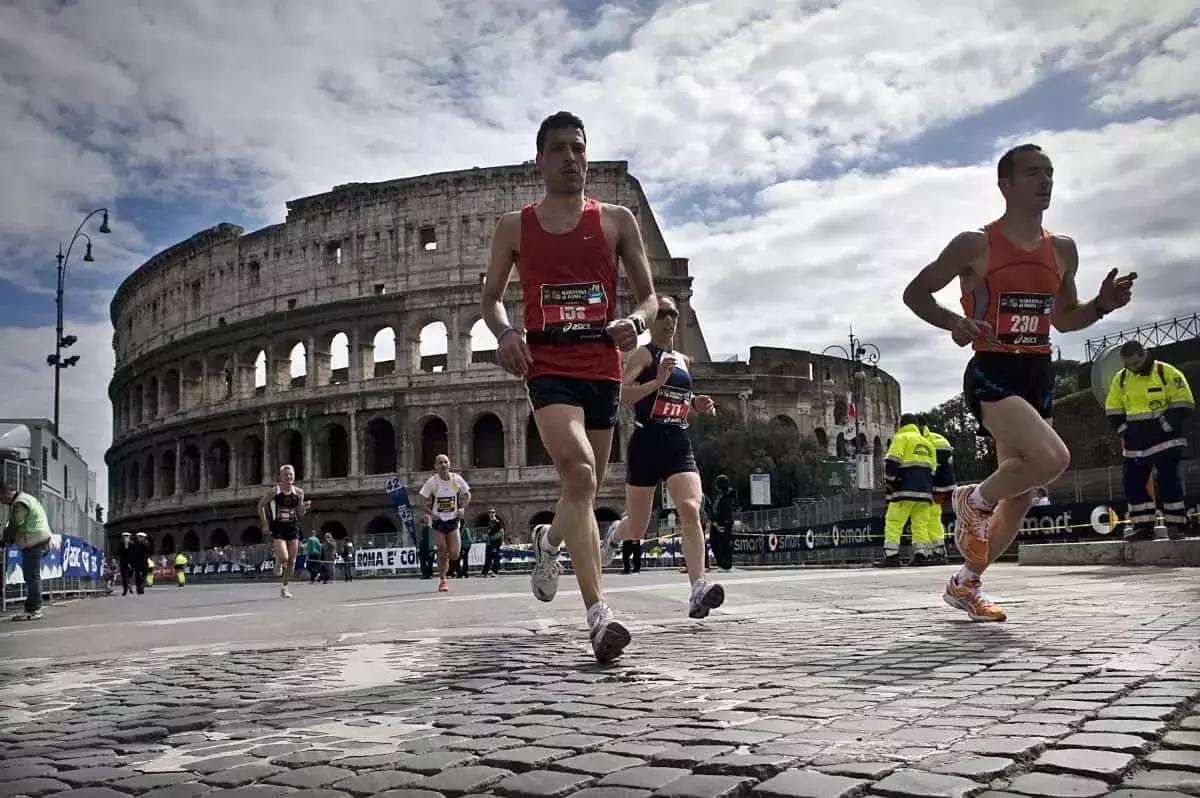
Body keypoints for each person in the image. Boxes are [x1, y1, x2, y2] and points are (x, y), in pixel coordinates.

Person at [903, 143, 1136, 622]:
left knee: (1024, 492)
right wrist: (953, 322)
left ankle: (966, 583)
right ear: (1005, 185)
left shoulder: (1064, 250)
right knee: (1052, 459)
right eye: (1033, 173)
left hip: (1038, 372)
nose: (1045, 181)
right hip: (992, 369)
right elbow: (916, 292)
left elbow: (1066, 319)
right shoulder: (976, 245)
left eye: (1050, 172)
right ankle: (973, 499)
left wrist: (1103, 305)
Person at [480, 111, 657, 663]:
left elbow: (650, 297)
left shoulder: (617, 220)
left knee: (584, 489)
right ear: (539, 159)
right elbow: (489, 300)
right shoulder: (515, 226)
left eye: (578, 148)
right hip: (547, 364)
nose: (571, 158)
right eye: (558, 149)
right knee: (579, 473)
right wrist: (506, 331)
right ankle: (598, 615)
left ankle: (548, 543)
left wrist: (640, 323)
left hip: (602, 365)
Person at [599, 295, 724, 618]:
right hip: (646, 442)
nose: (669, 320)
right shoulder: (643, 354)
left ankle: (698, 587)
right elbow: (620, 395)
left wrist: (696, 404)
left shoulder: (683, 359)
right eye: (663, 314)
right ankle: (615, 534)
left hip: (677, 442)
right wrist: (655, 382)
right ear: (652, 321)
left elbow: (679, 396)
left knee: (690, 507)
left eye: (674, 315)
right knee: (638, 529)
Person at [1106, 341, 1194, 540]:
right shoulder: (1120, 380)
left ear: (1144, 354)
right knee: (1132, 483)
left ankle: (1176, 526)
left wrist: (1165, 426)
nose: (1134, 367)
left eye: (1137, 362)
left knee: (1168, 482)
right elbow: (1113, 408)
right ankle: (1143, 527)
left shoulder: (1165, 372)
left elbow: (1184, 401)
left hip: (1166, 441)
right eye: (1130, 364)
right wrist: (1124, 431)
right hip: (1136, 444)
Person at [876, 414, 936, 568]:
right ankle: (921, 555)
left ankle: (892, 556)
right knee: (920, 524)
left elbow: (892, 462)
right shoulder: (928, 444)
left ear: (901, 425)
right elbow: (933, 470)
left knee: (894, 522)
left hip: (904, 490)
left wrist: (890, 483)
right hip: (925, 492)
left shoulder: (901, 438)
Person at [1, 480, 53, 621]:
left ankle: (33, 609)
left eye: (1, 498)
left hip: (34, 541)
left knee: (32, 576)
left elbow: (15, 524)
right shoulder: (27, 498)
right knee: (32, 575)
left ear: (5, 492)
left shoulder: (20, 503)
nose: (2, 502)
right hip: (41, 539)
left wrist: (5, 541)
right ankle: (33, 607)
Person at [419, 454, 471, 592]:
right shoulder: (432, 482)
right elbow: (421, 501)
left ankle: (446, 561)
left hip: (453, 520)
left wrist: (462, 508)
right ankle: (443, 579)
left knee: (454, 554)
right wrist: (432, 514)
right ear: (435, 466)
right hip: (438, 521)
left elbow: (467, 495)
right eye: (440, 463)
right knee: (442, 549)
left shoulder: (456, 479)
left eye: (445, 462)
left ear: (449, 464)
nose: (443, 465)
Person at [257, 464, 310, 599]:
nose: (289, 477)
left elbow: (299, 514)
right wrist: (265, 524)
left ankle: (284, 587)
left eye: (291, 474)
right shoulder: (274, 491)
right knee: (284, 557)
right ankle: (279, 561)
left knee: (292, 560)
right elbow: (261, 505)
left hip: (293, 527)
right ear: (280, 477)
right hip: (278, 527)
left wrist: (303, 508)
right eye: (286, 474)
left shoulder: (299, 493)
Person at [915, 417, 955, 565]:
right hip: (942, 487)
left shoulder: (924, 442)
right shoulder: (939, 438)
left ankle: (929, 553)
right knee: (933, 519)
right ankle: (938, 551)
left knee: (924, 520)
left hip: (932, 487)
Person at [708, 475, 737, 571]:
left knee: (725, 544)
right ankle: (721, 563)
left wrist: (722, 523)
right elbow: (714, 508)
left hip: (724, 522)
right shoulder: (718, 495)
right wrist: (713, 520)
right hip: (716, 522)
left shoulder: (729, 495)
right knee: (714, 542)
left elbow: (726, 511)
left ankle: (727, 565)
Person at [483, 508, 505, 577]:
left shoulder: (497, 522)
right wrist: (486, 537)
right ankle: (484, 573)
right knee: (488, 557)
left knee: (496, 558)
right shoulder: (489, 523)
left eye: (492, 512)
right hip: (489, 543)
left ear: (495, 513)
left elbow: (501, 532)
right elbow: (490, 532)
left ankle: (494, 572)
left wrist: (500, 540)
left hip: (495, 543)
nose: (491, 514)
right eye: (489, 512)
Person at [417, 514, 435, 579]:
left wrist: (433, 547)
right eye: (425, 518)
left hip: (430, 547)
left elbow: (433, 538)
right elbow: (419, 538)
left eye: (427, 518)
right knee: (423, 561)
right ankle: (425, 574)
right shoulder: (421, 528)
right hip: (422, 547)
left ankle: (429, 574)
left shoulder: (431, 528)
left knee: (430, 561)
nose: (426, 520)